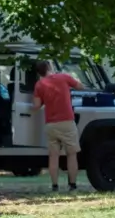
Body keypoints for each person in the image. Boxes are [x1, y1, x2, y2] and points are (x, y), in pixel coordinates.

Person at [31, 60, 85, 191]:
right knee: (71, 154)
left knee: (53, 156)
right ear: (50, 67)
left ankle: (54, 185)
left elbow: (37, 106)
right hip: (67, 121)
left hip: (51, 124)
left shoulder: (39, 85)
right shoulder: (63, 77)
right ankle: (72, 185)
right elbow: (81, 87)